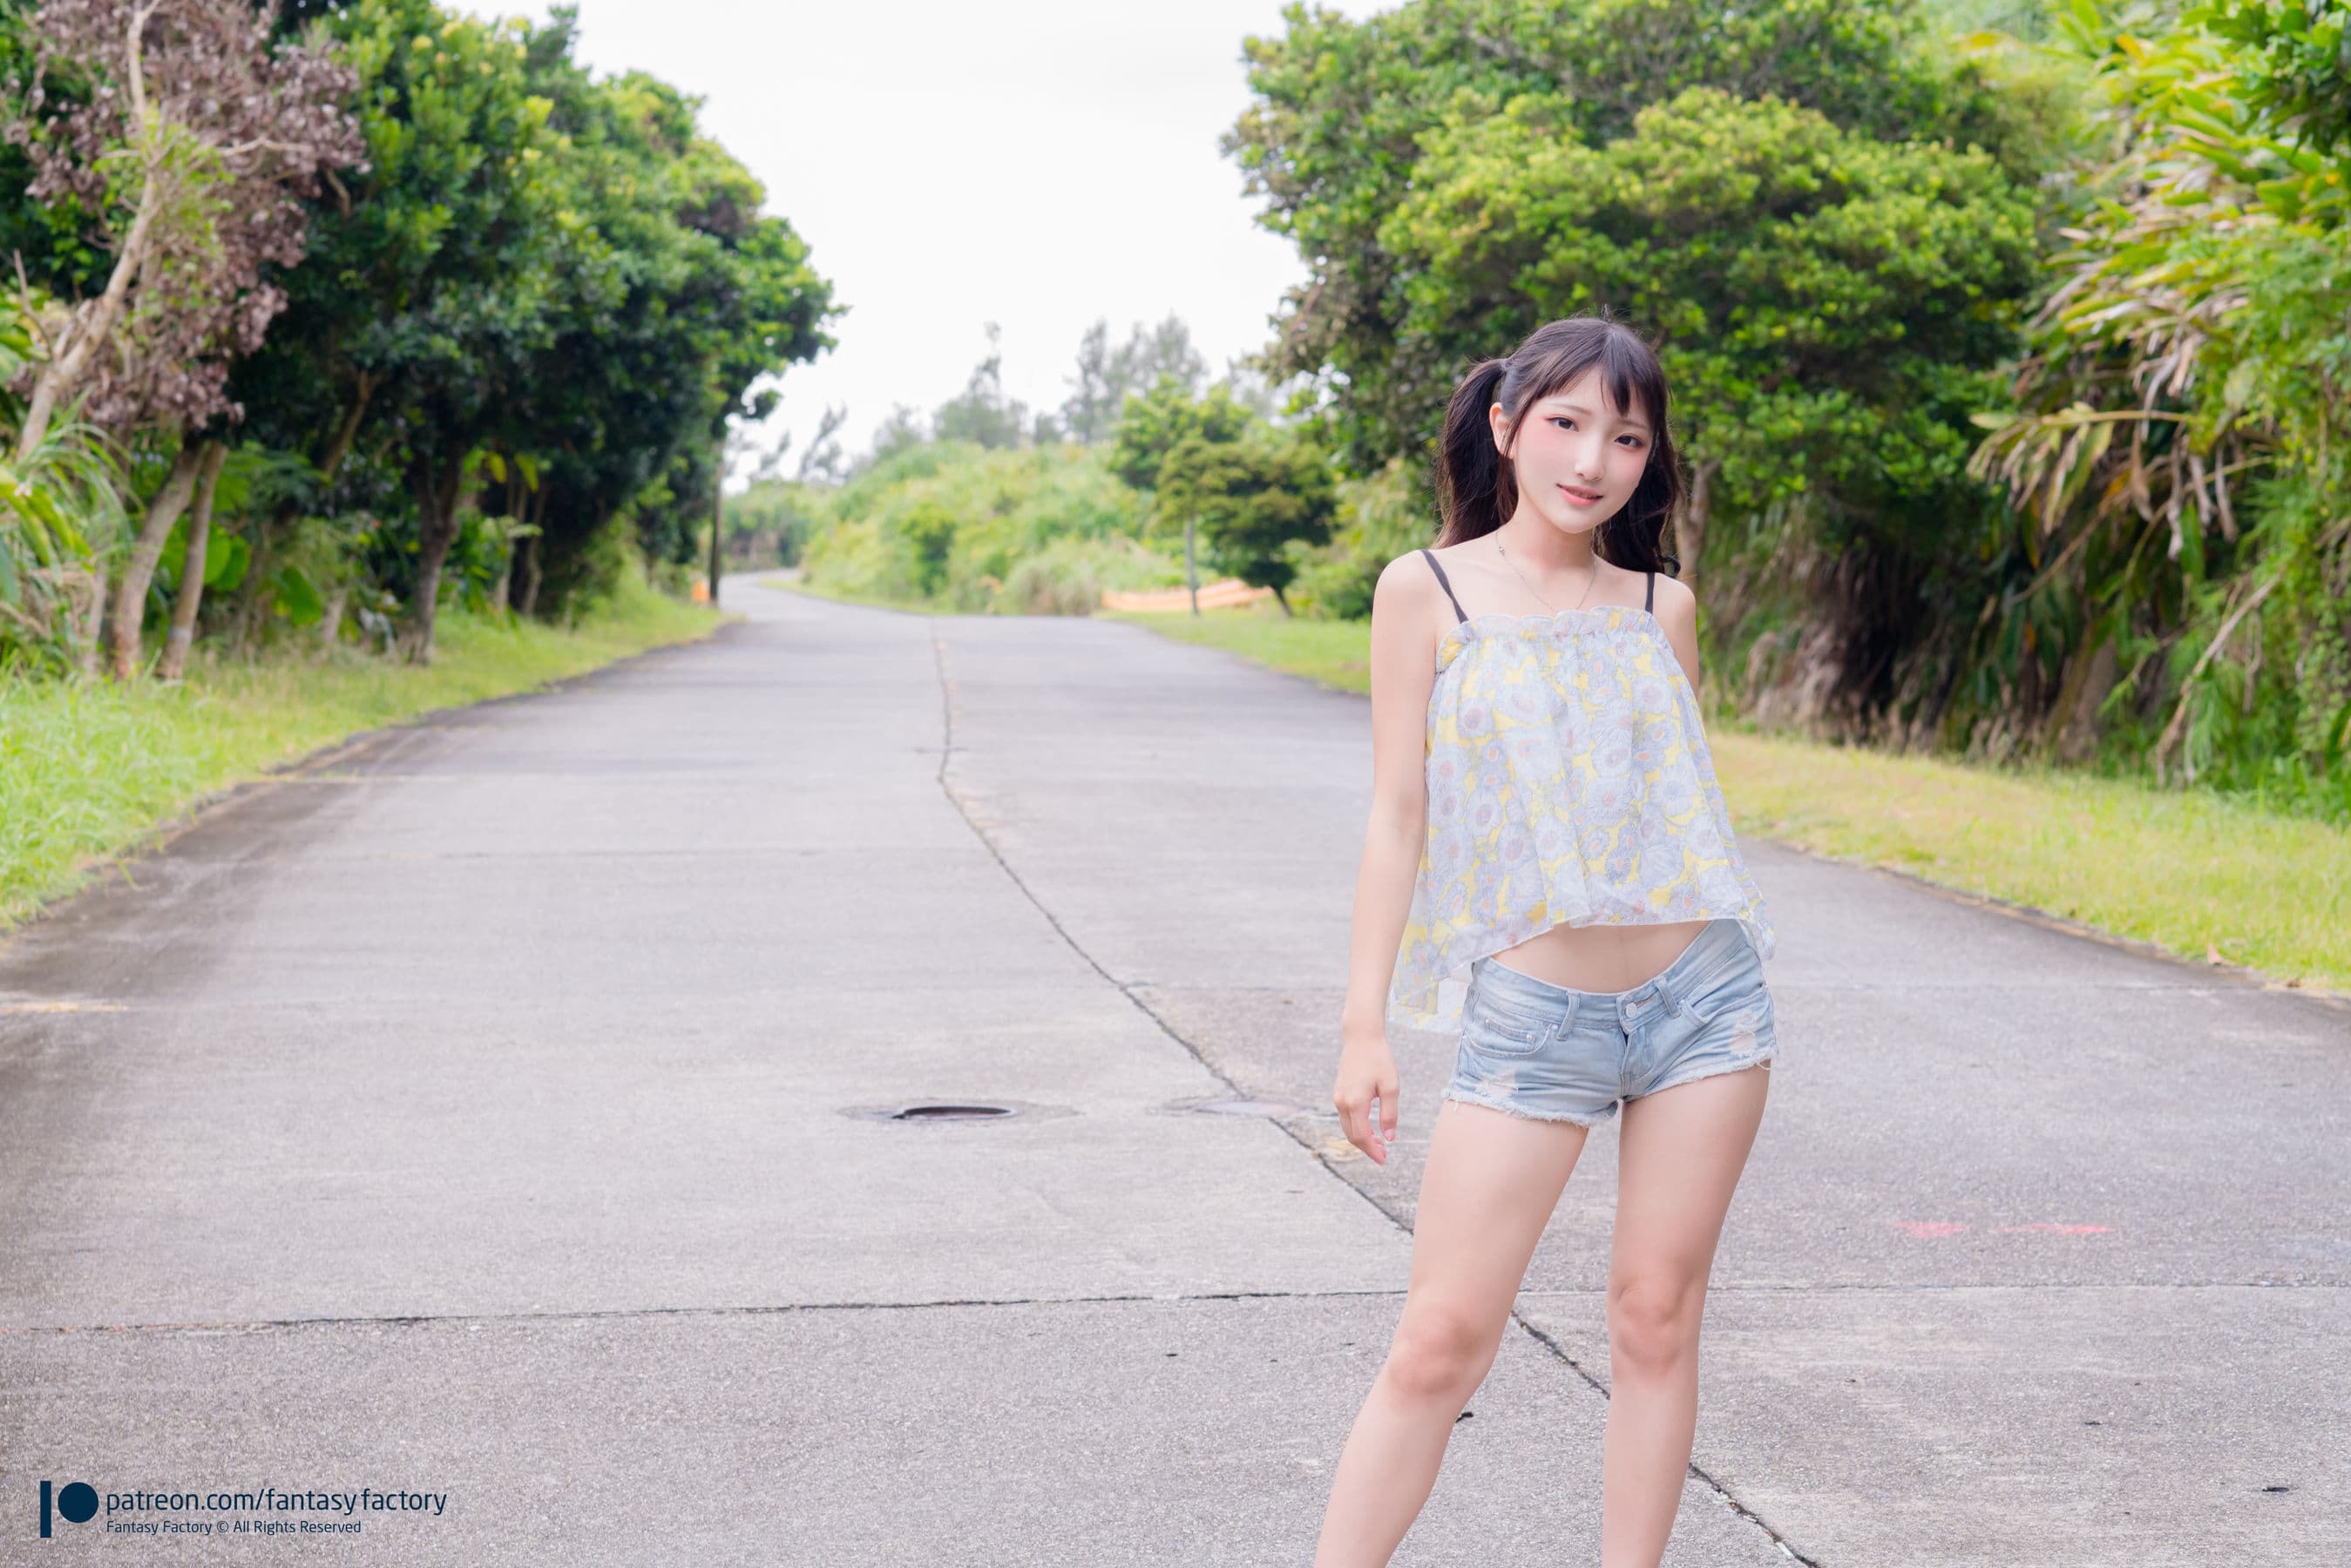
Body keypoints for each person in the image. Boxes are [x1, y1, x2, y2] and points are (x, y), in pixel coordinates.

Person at [1318, 312, 1781, 1567]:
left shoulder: (1662, 607)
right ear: (1506, 424)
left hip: (1703, 1005)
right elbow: (1397, 813)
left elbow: (1667, 814)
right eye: (1567, 424)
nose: (1592, 460)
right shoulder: (1426, 589)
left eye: (1625, 437)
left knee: (1655, 1318)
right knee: (1438, 1341)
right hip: (1533, 1020)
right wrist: (1364, 1027)